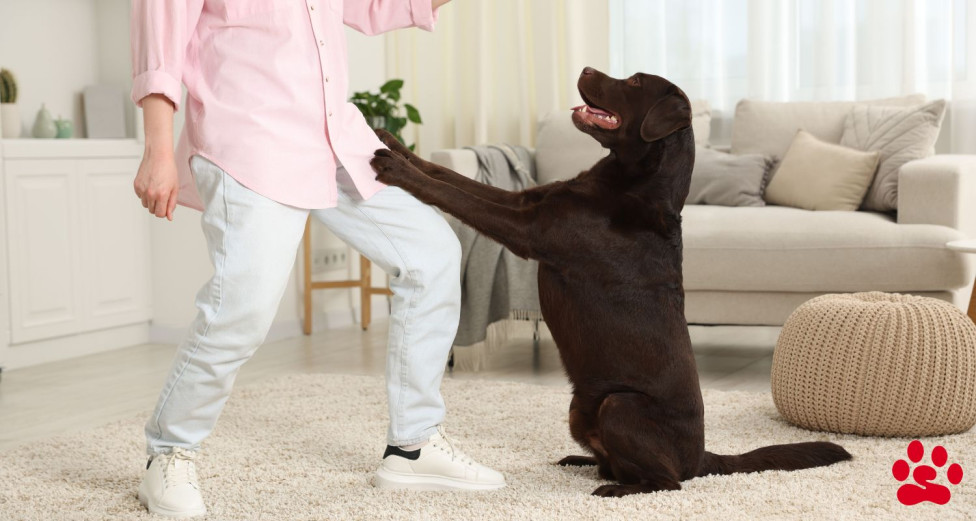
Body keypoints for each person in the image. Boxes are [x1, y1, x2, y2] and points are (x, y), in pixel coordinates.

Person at [130, 0, 505, 516]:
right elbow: (160, 44)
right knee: (242, 308)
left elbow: (375, 6)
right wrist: (157, 151)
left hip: (333, 140)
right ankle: (169, 452)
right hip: (250, 141)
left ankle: (413, 445)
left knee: (431, 253)